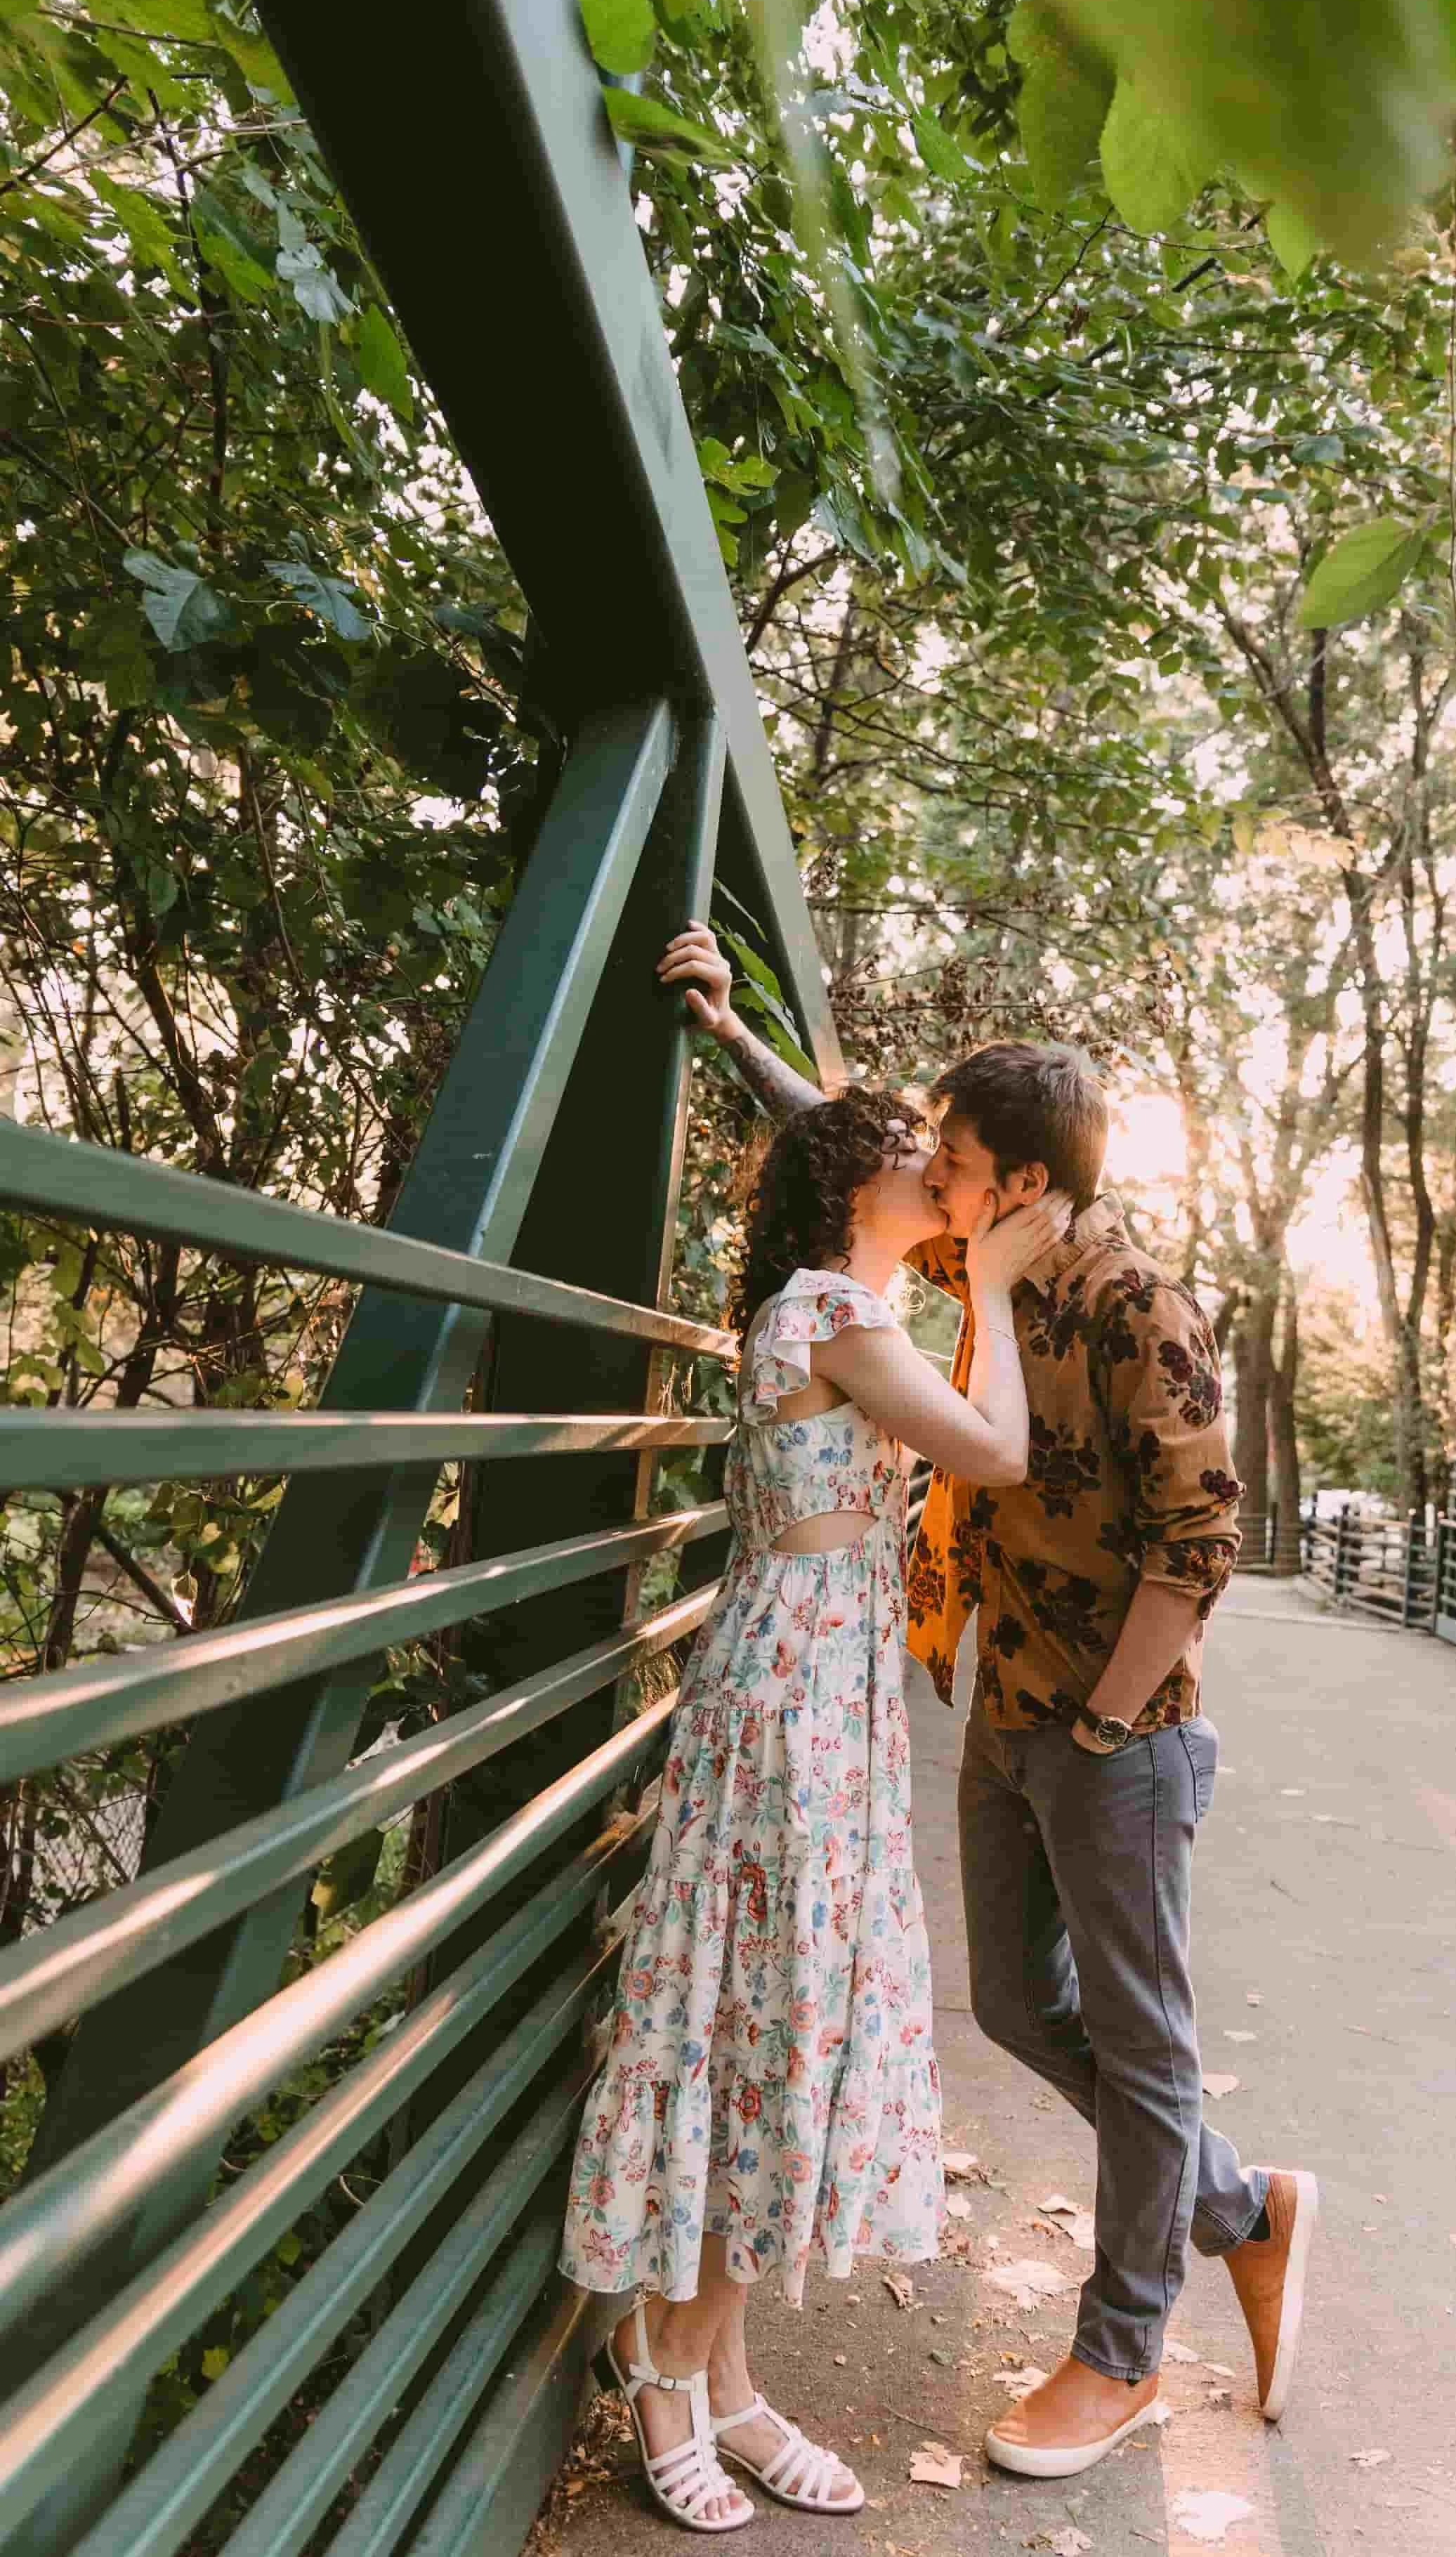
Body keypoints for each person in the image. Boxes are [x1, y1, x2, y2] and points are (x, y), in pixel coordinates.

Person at [655, 920, 1319, 2484]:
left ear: (1017, 1180)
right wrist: (732, 1031)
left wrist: (1103, 1720)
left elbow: (1203, 1534)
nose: (932, 1173)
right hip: (1006, 1712)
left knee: (1146, 2047)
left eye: (954, 1155)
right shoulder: (965, 1258)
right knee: (1020, 2008)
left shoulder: (1138, 1307)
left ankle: (1122, 2351)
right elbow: (845, 1175)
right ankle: (1241, 2204)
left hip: (1118, 1735)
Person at [560, 1075, 1071, 2532]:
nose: (949, 1173)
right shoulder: (837, 1315)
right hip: (795, 1688)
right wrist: (989, 1280)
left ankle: (720, 2376)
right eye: (928, 1159)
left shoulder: (837, 1301)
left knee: (778, 2011)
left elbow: (827, 1122)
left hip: (816, 1672)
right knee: (775, 2012)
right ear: (863, 1186)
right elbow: (995, 1452)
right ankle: (668, 2364)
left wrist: (734, 1028)